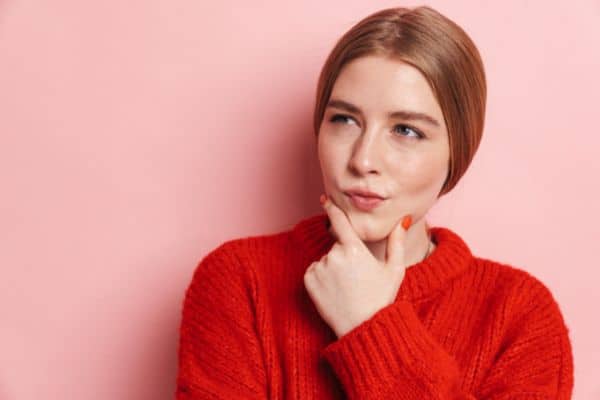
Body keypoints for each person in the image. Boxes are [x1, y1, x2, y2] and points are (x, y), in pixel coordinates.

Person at [175, 5, 574, 399]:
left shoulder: (520, 315)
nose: (363, 160)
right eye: (344, 120)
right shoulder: (240, 281)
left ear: (458, 149)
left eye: (406, 130)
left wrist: (370, 326)